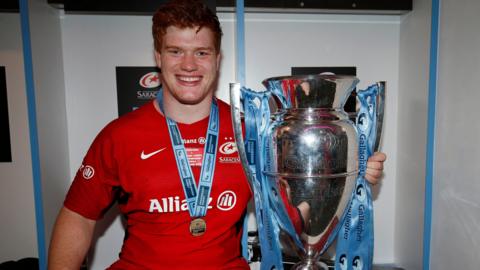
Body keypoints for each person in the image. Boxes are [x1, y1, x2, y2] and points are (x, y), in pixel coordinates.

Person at [48, 0, 387, 269]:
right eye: (175, 51)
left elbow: (293, 217)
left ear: (217, 58)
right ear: (158, 56)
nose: (189, 65)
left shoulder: (252, 132)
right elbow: (77, 216)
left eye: (201, 52)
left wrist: (344, 180)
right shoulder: (118, 136)